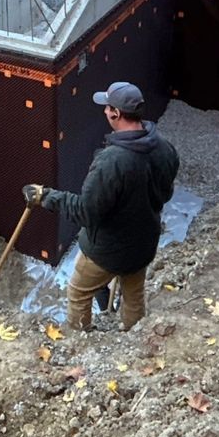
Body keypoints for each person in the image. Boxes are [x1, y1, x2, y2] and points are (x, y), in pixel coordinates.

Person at [24, 81, 179, 332]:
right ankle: (133, 338)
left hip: (107, 251)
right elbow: (166, 193)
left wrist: (46, 197)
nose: (105, 111)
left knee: (78, 292)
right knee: (134, 296)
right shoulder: (165, 149)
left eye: (107, 108)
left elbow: (86, 212)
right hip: (143, 244)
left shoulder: (111, 163)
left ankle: (80, 339)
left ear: (116, 113)